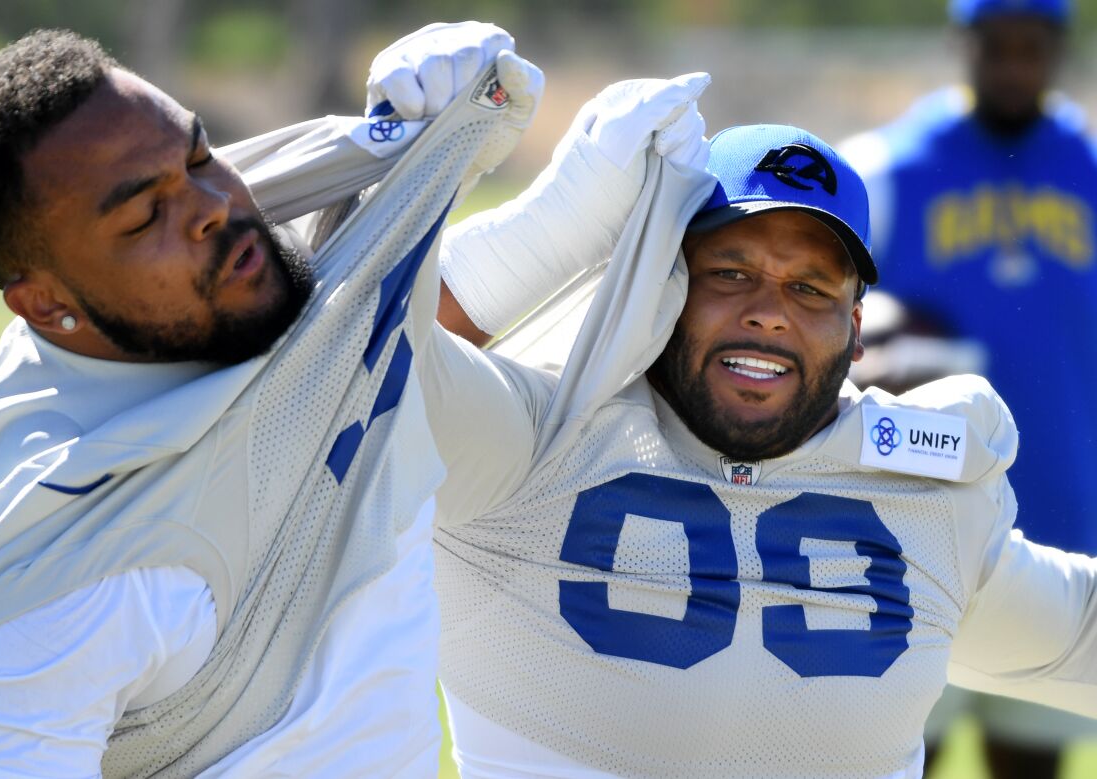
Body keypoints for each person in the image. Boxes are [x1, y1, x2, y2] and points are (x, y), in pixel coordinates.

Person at [0, 22, 554, 778]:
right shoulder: (47, 579)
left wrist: (460, 137)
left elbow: (398, 322)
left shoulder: (238, 301)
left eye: (200, 153)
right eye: (144, 216)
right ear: (45, 306)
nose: (213, 202)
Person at [424, 119, 1097, 778]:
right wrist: (538, 229)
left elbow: (1078, 635)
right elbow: (350, 373)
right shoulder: (534, 439)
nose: (770, 311)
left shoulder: (928, 500)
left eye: (809, 287)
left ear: (855, 327)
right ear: (666, 286)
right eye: (730, 272)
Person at [838, 0, 1097, 773]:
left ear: (1059, 48)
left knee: (1032, 758)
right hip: (914, 530)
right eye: (998, 45)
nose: (1015, 64)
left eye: (1033, 45)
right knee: (893, 754)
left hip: (1061, 518)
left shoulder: (1090, 166)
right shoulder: (888, 167)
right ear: (964, 44)